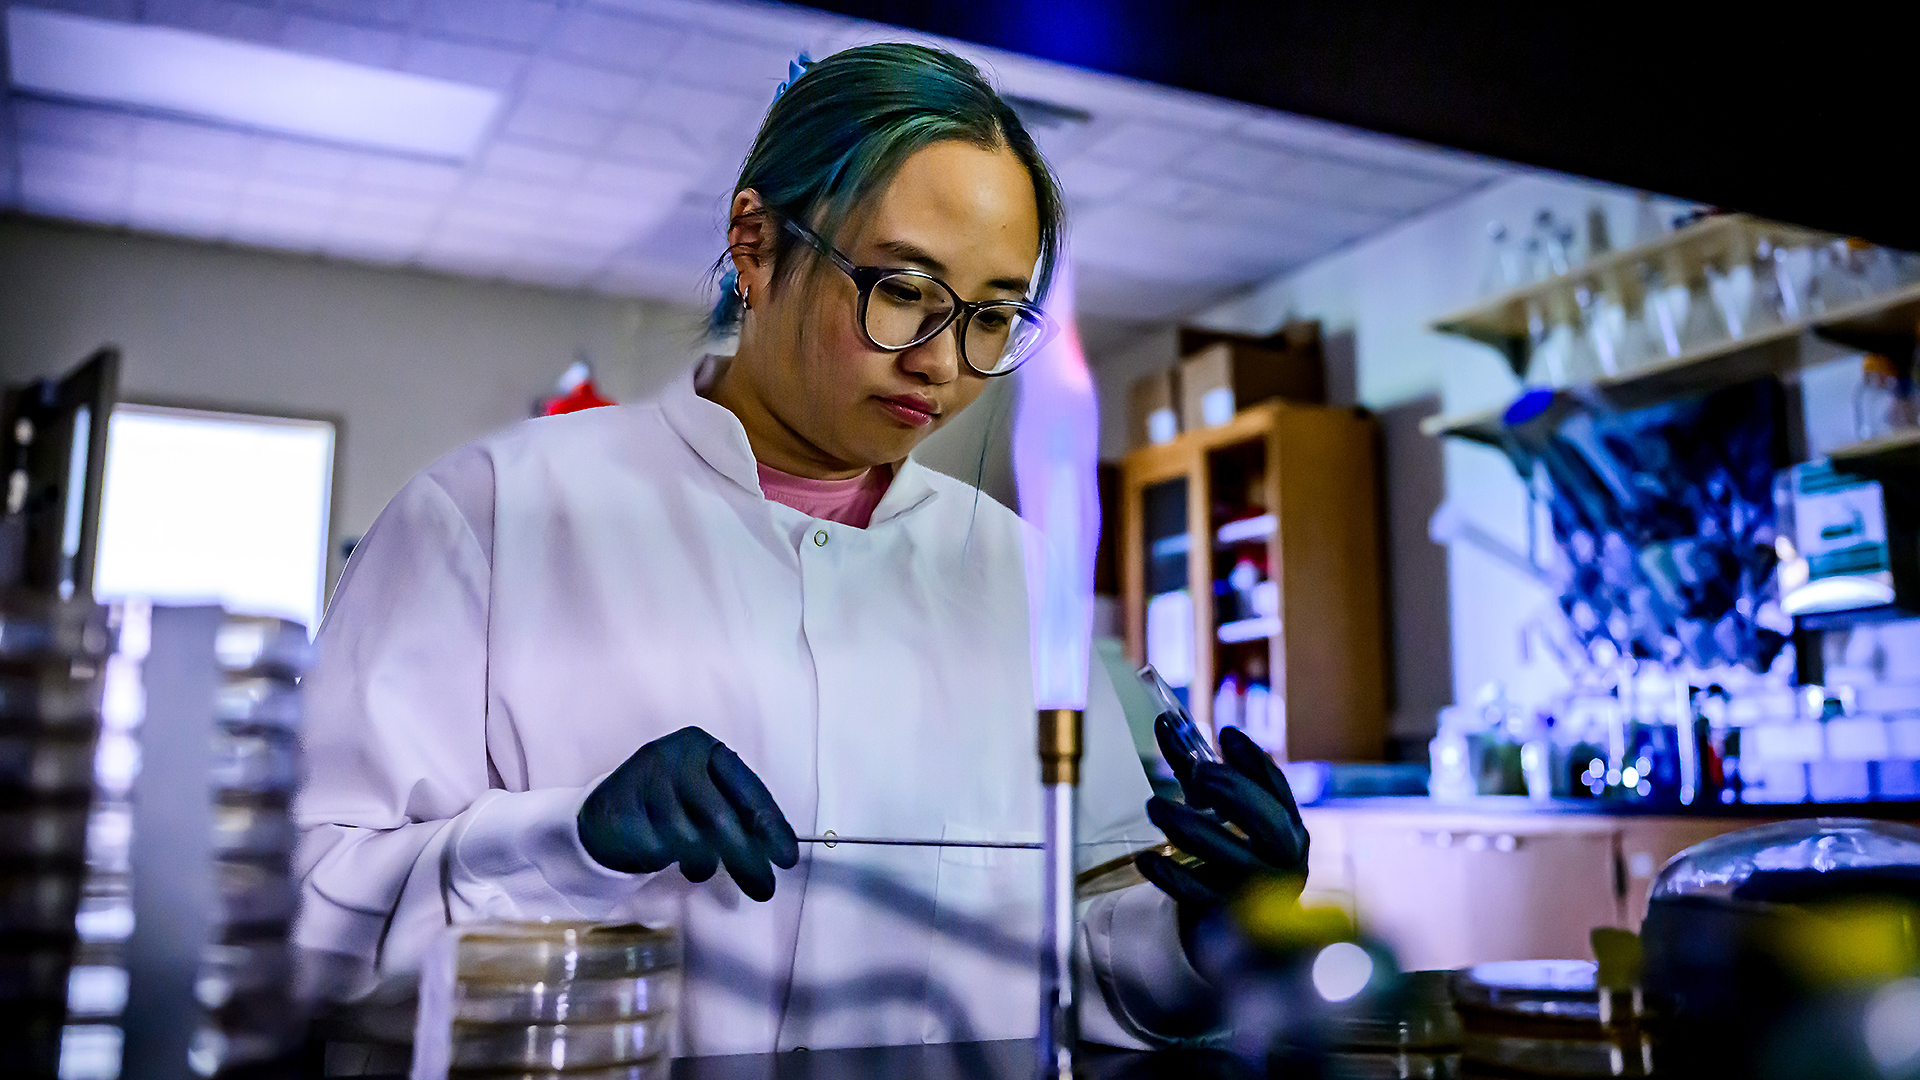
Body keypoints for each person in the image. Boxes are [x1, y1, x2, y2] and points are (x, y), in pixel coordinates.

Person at [293, 43, 1306, 1067]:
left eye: (994, 316)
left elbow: (1086, 970)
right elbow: (309, 928)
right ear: (758, 242)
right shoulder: (492, 515)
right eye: (906, 290)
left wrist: (1207, 928)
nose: (946, 365)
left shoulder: (1014, 573)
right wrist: (573, 843)